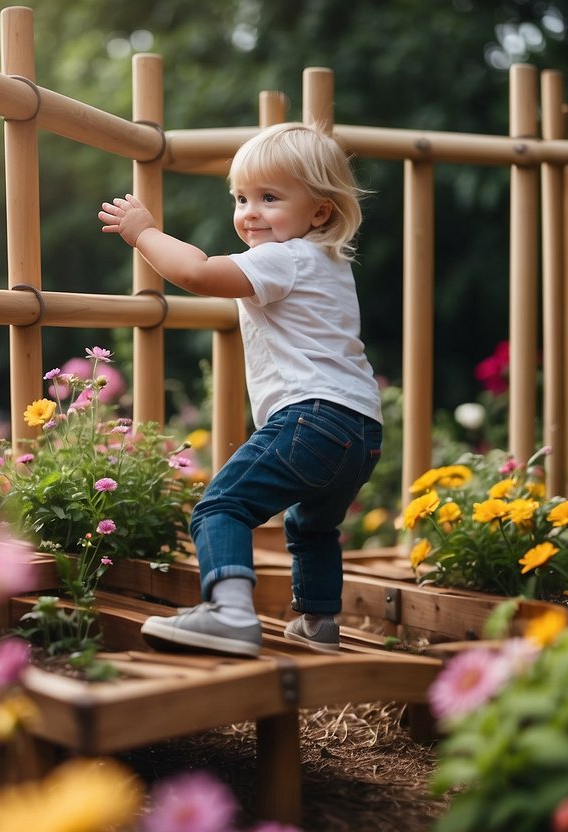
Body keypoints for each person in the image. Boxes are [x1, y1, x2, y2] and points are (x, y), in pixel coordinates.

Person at [97, 122, 383, 658]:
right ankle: (319, 625)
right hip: (361, 428)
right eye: (241, 198)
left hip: (312, 418)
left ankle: (229, 613)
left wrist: (143, 232)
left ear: (320, 211)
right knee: (311, 525)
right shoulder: (329, 263)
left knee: (220, 508)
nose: (250, 212)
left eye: (269, 198)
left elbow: (199, 272)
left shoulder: (285, 257)